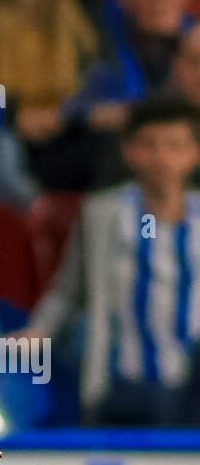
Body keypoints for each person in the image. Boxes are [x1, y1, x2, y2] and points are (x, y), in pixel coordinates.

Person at [20, 97, 200, 426]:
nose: (161, 158)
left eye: (174, 146)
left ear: (193, 154)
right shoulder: (103, 215)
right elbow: (68, 290)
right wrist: (38, 332)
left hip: (193, 388)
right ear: (129, 151)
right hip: (123, 385)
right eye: (149, 145)